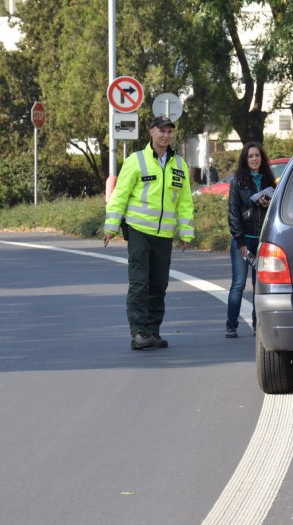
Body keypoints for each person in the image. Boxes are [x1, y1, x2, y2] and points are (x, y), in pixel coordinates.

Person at [103, 115, 195, 350]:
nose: (166, 135)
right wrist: (111, 227)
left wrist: (186, 233)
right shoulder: (136, 160)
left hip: (164, 235)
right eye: (161, 131)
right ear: (151, 132)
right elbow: (120, 195)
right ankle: (139, 332)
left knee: (159, 284)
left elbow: (184, 202)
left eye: (169, 131)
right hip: (139, 231)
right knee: (139, 282)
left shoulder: (180, 165)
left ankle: (153, 331)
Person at [225, 142, 276, 338]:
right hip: (244, 240)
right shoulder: (238, 182)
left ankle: (257, 325)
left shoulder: (270, 181)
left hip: (263, 241)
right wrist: (240, 241)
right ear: (245, 159)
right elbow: (233, 213)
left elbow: (275, 211)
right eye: (250, 156)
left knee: (259, 285)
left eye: (257, 155)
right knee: (238, 283)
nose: (254, 159)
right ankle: (231, 325)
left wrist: (268, 204)